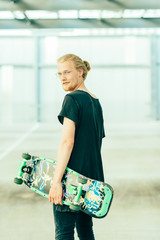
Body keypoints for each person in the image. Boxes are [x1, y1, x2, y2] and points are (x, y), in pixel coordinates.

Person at [48, 53, 105, 240]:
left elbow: (67, 142)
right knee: (86, 231)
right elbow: (97, 143)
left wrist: (57, 182)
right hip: (91, 180)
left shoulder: (72, 99)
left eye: (67, 72)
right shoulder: (95, 102)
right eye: (59, 74)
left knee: (64, 232)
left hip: (72, 180)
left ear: (80, 72)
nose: (62, 77)